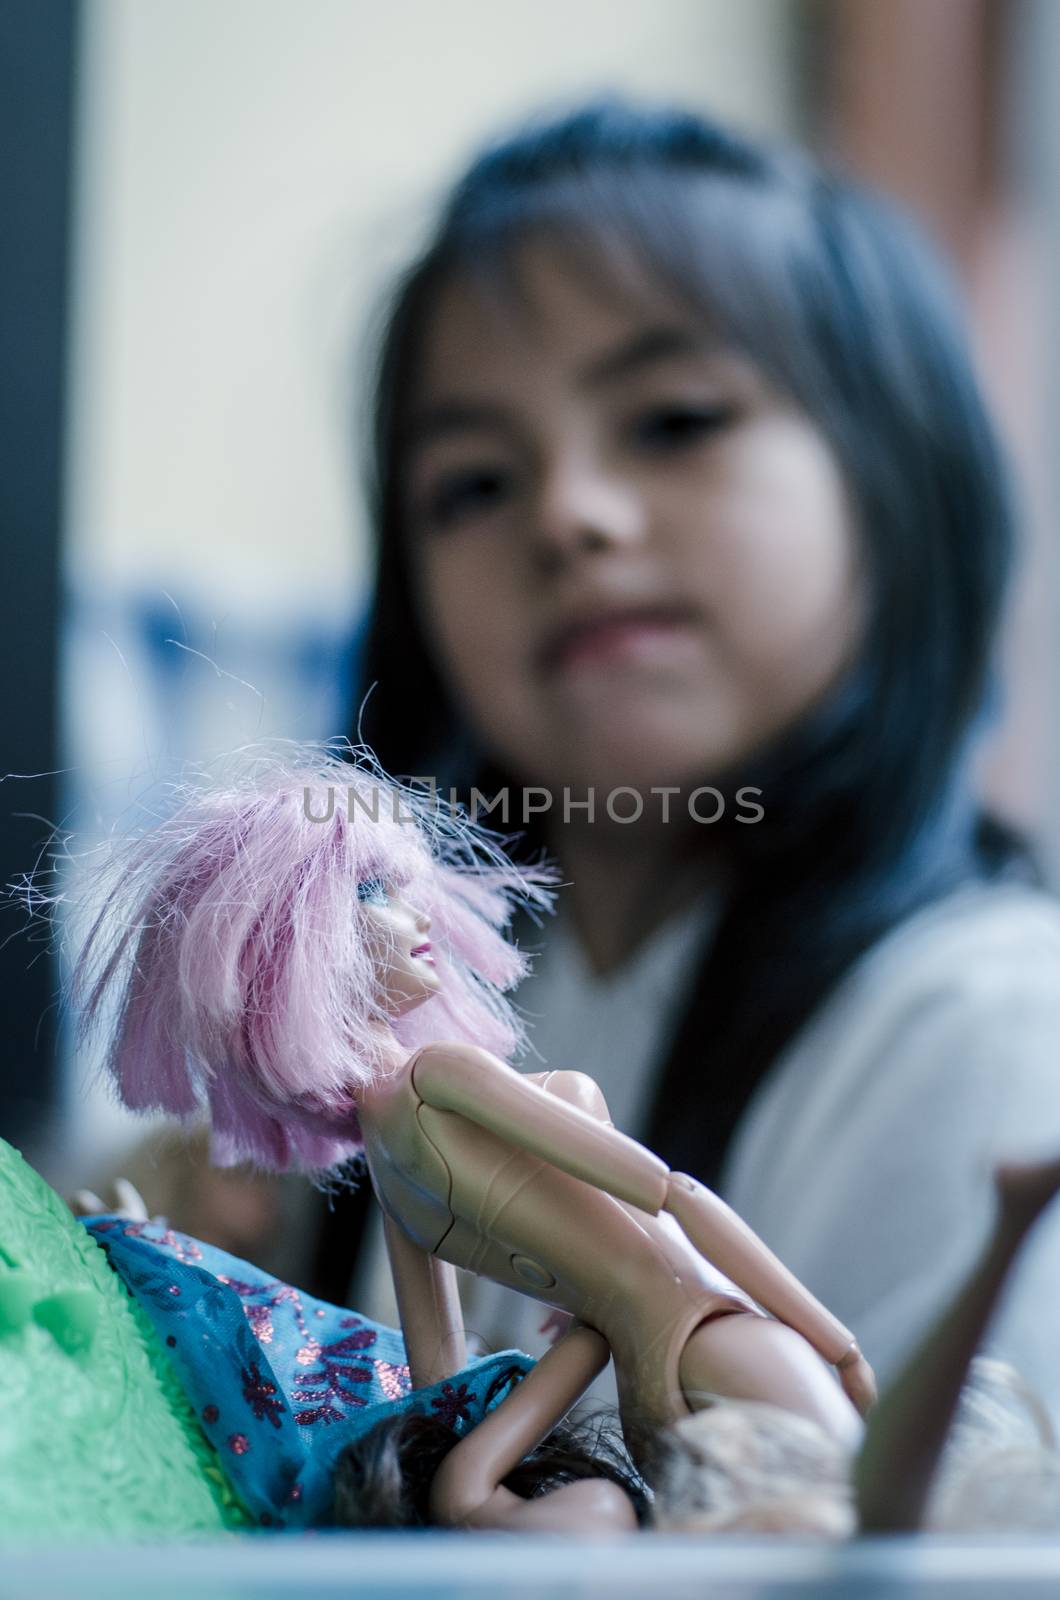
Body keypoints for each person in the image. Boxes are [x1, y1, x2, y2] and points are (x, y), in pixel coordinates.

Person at [333, 97, 1060, 1410]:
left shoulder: (996, 1033)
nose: (568, 513)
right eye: (474, 483)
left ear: (896, 480)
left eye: (672, 422)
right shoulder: (380, 1021)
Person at [69, 747, 871, 1531]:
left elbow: (444, 1383)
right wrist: (834, 1346)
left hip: (645, 1360)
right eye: (375, 891)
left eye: (407, 886)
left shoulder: (399, 1152)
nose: (420, 914)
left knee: (470, 1493)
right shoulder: (430, 1086)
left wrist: (833, 1348)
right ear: (300, 948)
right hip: (684, 1337)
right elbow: (667, 1194)